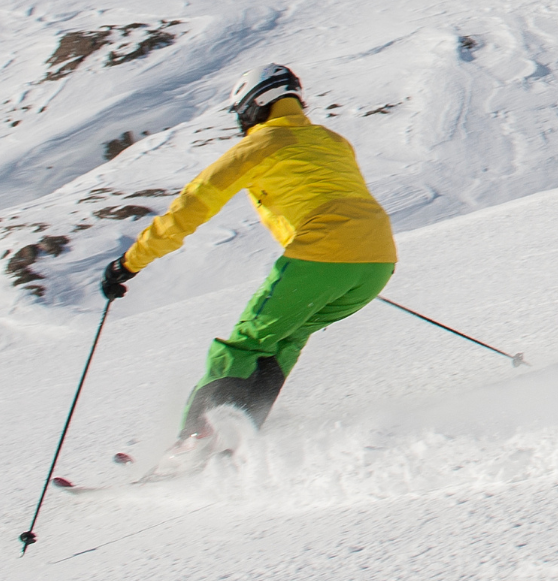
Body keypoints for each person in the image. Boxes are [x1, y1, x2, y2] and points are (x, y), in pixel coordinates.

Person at [99, 63, 398, 457]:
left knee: (243, 346)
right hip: (377, 261)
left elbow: (189, 209)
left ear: (255, 104)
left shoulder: (259, 145)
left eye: (240, 113)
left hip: (324, 257)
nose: (240, 122)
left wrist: (129, 264)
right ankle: (241, 434)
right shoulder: (332, 140)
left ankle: (196, 442)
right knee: (283, 339)